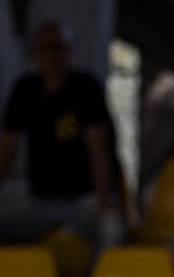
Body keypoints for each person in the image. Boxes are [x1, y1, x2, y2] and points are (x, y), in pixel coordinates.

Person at [0, 21, 126, 243]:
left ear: (70, 50)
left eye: (58, 47)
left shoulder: (84, 87)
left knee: (111, 229)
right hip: (37, 198)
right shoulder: (25, 89)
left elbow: (97, 147)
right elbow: (8, 147)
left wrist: (103, 198)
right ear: (35, 52)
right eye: (44, 48)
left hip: (84, 198)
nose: (51, 55)